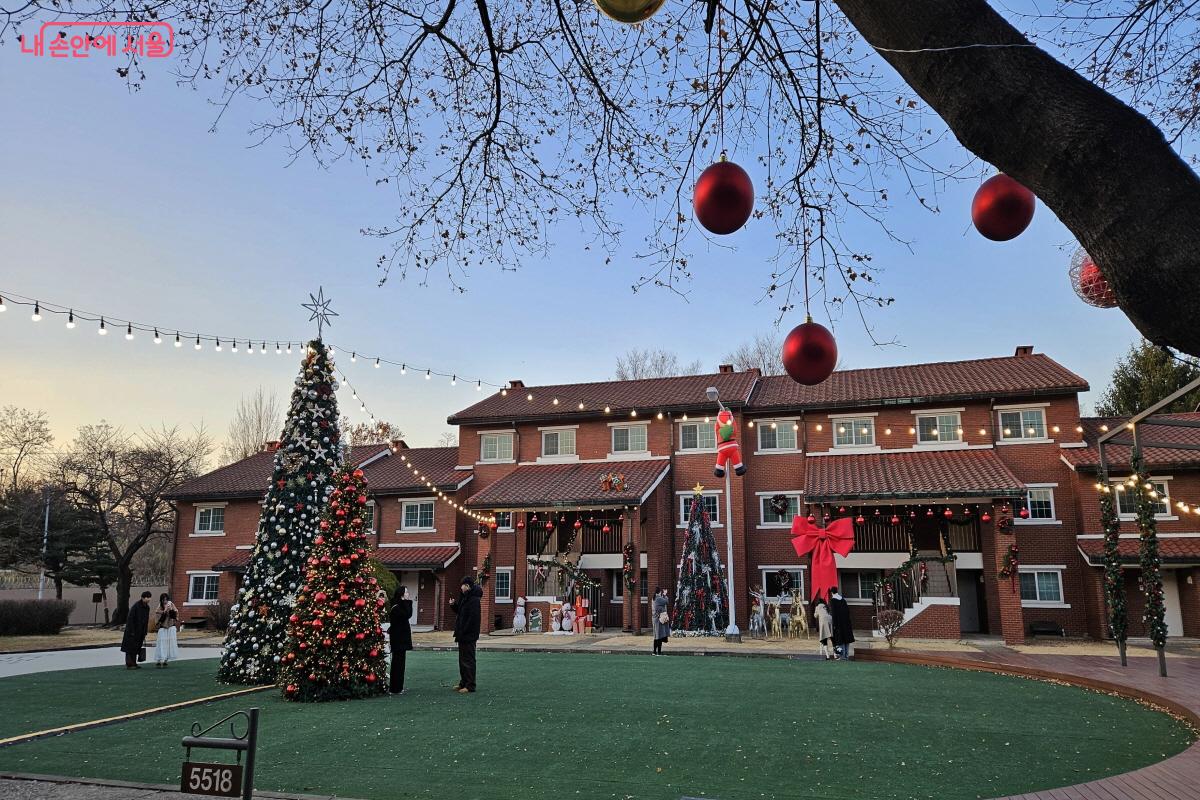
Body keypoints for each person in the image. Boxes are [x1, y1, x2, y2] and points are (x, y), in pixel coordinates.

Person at [449, 576, 481, 693]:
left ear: (467, 586)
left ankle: (470, 685)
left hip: (468, 635)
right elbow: (461, 612)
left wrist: (464, 631)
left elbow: (473, 619)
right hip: (462, 634)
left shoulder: (474, 600)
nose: (460, 588)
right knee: (462, 660)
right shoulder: (464, 597)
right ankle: (463, 682)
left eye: (462, 585)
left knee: (468, 660)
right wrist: (453, 605)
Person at [388, 585, 414, 695]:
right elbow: (407, 614)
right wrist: (407, 602)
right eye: (406, 592)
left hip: (401, 638)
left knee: (400, 663)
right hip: (398, 639)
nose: (408, 594)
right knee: (397, 663)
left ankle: (399, 686)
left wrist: (407, 602)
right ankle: (395, 687)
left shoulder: (399, 606)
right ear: (402, 595)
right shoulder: (397, 607)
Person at [121, 591, 152, 670]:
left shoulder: (147, 608)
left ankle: (134, 663)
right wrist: (131, 631)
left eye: (149, 597)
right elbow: (130, 619)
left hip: (140, 631)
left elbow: (146, 620)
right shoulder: (136, 606)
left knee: (136, 647)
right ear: (142, 598)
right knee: (130, 648)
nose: (149, 599)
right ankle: (129, 664)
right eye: (147, 597)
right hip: (132, 631)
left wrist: (145, 631)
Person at [829, 587, 855, 660]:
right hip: (846, 622)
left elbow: (834, 614)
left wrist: (834, 624)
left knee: (840, 639)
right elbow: (847, 611)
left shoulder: (833, 600)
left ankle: (842, 656)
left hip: (839, 623)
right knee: (847, 639)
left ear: (832, 592)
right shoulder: (843, 600)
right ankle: (846, 655)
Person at [154, 593, 179, 668]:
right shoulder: (159, 609)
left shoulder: (172, 606)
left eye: (166, 600)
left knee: (169, 644)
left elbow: (175, 617)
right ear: (161, 600)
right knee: (161, 644)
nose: (165, 601)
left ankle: (165, 659)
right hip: (163, 628)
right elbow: (159, 621)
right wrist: (164, 611)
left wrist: (171, 610)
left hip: (171, 627)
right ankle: (160, 659)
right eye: (163, 600)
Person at [813, 596, 834, 660]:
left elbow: (815, 616)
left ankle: (827, 656)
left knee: (823, 639)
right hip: (830, 620)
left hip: (823, 622)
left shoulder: (817, 607)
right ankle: (835, 655)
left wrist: (815, 612)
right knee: (832, 637)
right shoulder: (826, 606)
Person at [652, 587, 671, 655]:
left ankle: (654, 651)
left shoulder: (655, 598)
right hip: (659, 619)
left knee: (656, 636)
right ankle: (658, 652)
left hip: (656, 619)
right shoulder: (658, 598)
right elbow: (666, 601)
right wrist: (665, 594)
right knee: (659, 636)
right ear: (659, 592)